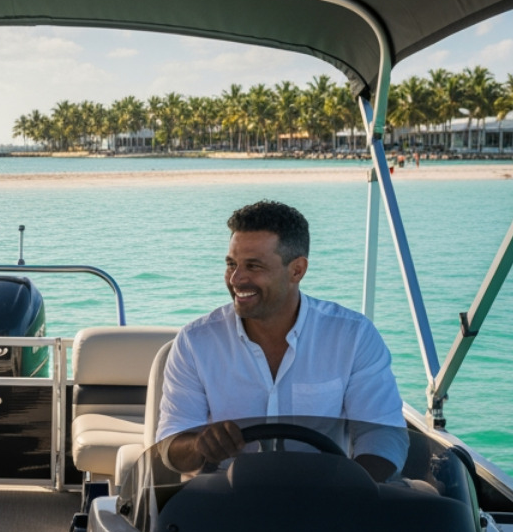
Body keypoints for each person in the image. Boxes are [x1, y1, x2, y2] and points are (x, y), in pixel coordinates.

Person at [155, 201, 407, 480]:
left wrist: (351, 494)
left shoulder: (354, 336)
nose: (236, 279)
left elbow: (382, 433)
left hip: (326, 499)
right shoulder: (194, 342)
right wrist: (200, 445)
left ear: (297, 270)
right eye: (231, 264)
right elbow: (170, 445)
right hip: (221, 505)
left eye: (253, 266)